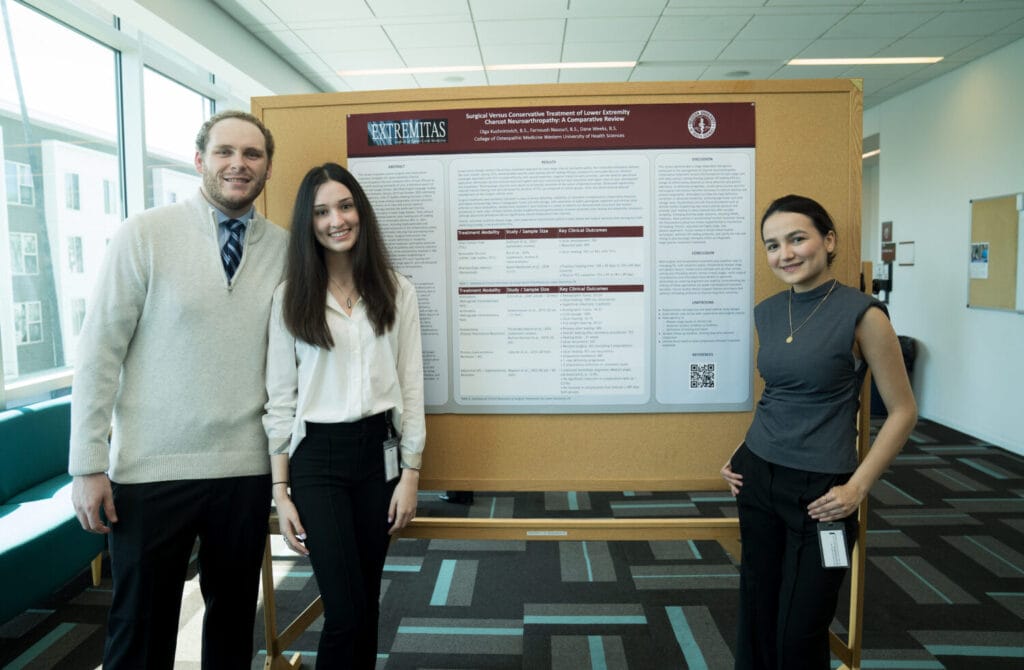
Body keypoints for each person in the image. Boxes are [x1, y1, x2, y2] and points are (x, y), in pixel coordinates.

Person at [68, 110, 287, 669]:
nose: (238, 164)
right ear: (199, 161)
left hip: (243, 469)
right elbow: (99, 353)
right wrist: (88, 465)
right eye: (224, 152)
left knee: (233, 625)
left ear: (267, 169)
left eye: (252, 154)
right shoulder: (144, 234)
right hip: (150, 471)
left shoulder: (287, 250)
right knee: (140, 631)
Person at [720, 194, 917, 670]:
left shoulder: (864, 315)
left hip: (823, 493)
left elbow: (903, 412)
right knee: (758, 613)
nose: (784, 254)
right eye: (772, 245)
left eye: (797, 238)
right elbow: (780, 394)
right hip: (758, 478)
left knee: (800, 628)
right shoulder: (767, 311)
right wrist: (741, 451)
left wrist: (857, 488)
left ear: (827, 241)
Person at [264, 162, 425, 668]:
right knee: (345, 611)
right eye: (321, 211)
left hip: (380, 457)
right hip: (318, 462)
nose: (337, 219)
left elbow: (412, 386)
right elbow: (280, 399)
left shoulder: (397, 291)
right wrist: (280, 491)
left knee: (366, 603)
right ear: (308, 223)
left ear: (361, 211)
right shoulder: (290, 297)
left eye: (345, 205)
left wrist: (411, 474)